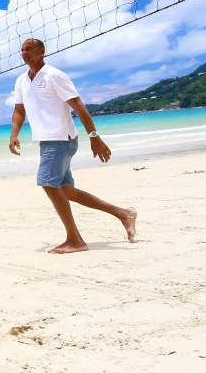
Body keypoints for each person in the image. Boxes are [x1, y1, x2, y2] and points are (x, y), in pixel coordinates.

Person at [9, 39, 137, 254]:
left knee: (48, 183)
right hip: (46, 141)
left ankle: (75, 240)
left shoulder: (54, 75)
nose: (24, 53)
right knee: (67, 191)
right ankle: (124, 214)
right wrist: (14, 134)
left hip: (61, 139)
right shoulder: (22, 79)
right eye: (22, 49)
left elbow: (78, 105)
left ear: (42, 51)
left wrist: (94, 136)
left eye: (29, 49)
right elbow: (19, 110)